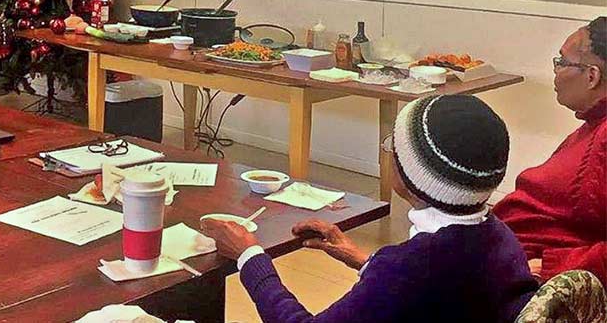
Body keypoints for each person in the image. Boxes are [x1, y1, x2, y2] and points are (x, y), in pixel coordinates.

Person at [202, 95, 538, 323]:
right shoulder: (500, 237)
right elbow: (438, 294)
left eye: (393, 147)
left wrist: (249, 257)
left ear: (412, 174)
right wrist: (363, 259)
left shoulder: (409, 268)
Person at [493, 16, 606, 286]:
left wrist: (551, 268)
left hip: (526, 279)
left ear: (592, 76)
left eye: (562, 62)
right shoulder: (592, 125)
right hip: (501, 252)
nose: (555, 70)